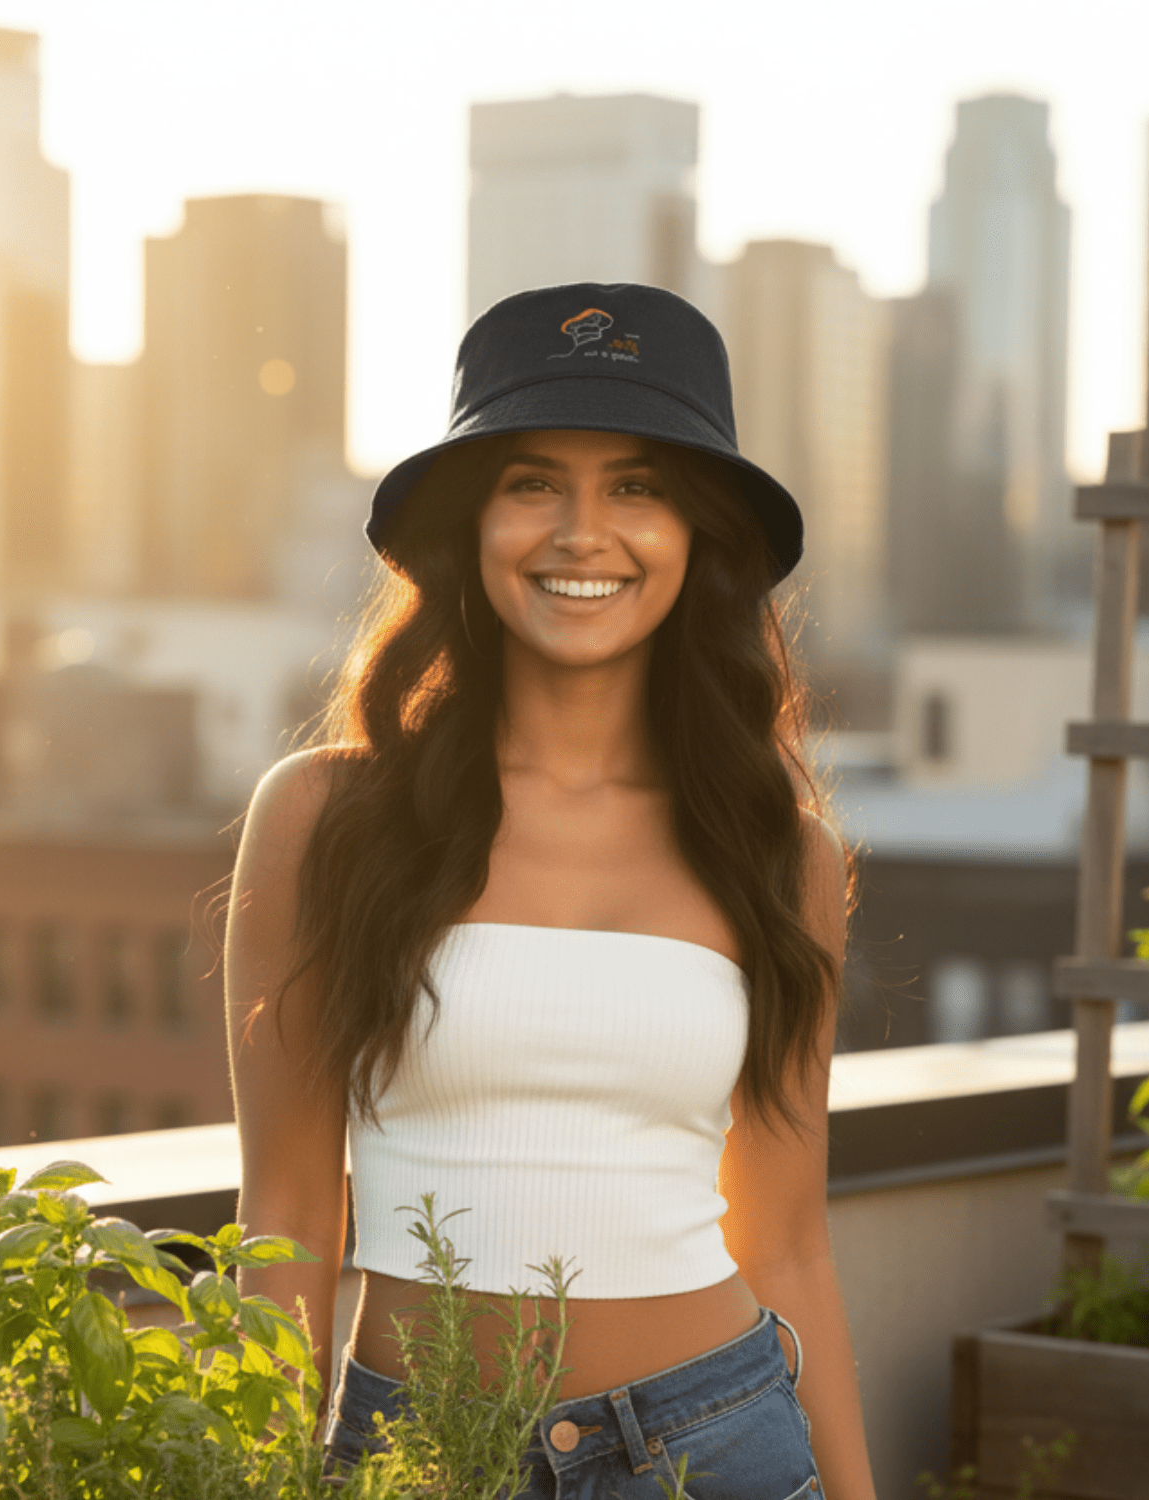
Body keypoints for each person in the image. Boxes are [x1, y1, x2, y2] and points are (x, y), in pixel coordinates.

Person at [225, 282, 877, 1499]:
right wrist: (254, 1477)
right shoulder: (324, 818)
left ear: (697, 535)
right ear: (471, 525)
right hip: (419, 1458)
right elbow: (292, 1213)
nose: (584, 533)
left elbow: (788, 1243)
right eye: (534, 483)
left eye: (637, 487)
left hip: (718, 1446)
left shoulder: (781, 856)